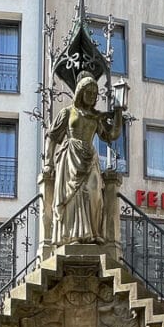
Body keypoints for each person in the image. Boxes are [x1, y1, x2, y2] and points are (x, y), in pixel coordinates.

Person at [45, 74, 124, 244]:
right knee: (73, 196)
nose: (91, 96)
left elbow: (111, 135)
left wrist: (118, 112)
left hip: (89, 157)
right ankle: (74, 235)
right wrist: (48, 162)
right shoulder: (67, 112)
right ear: (80, 92)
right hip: (70, 157)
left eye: (95, 93)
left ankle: (94, 233)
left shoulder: (96, 117)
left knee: (94, 193)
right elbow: (52, 137)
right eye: (88, 91)